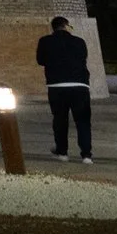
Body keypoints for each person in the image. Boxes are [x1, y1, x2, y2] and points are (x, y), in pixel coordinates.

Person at [35, 15, 94, 163]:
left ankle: (62, 152)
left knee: (60, 119)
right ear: (67, 26)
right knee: (83, 121)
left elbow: (40, 60)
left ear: (53, 27)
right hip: (80, 85)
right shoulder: (79, 42)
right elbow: (83, 57)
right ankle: (86, 155)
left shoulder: (45, 41)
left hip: (57, 86)